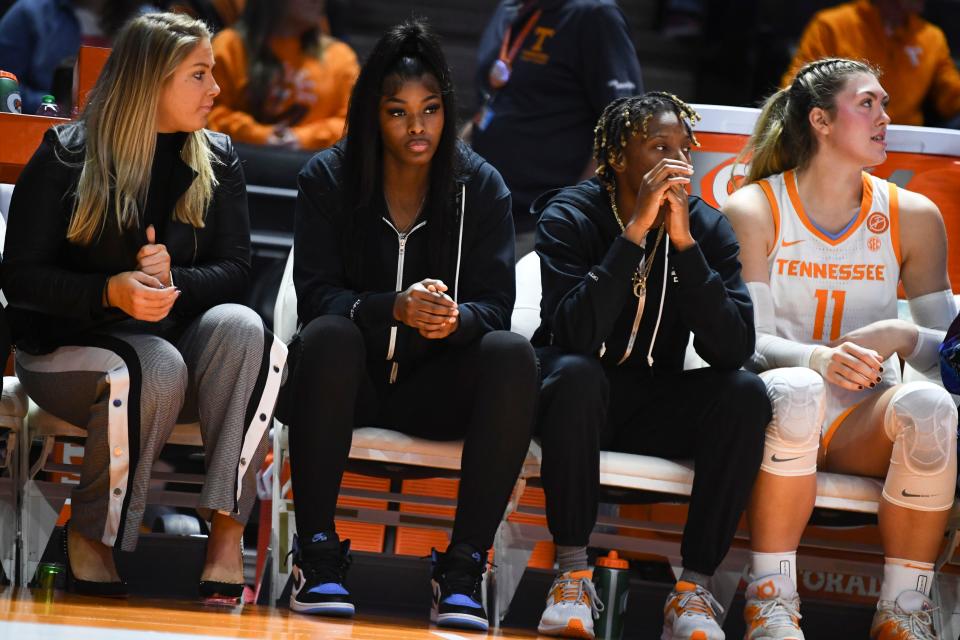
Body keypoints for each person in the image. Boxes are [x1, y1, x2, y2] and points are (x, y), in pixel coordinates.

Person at [1, 12, 286, 601]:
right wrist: (110, 290)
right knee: (150, 364)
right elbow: (19, 278)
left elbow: (237, 270)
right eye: (200, 74)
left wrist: (172, 278)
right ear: (151, 80)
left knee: (249, 330)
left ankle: (226, 534)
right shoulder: (67, 154)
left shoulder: (219, 157)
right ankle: (91, 538)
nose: (216, 89)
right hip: (66, 350)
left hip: (173, 349)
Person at [283, 19, 538, 632]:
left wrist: (454, 319)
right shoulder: (327, 178)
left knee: (510, 354)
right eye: (398, 113)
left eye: (429, 110)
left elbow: (496, 306)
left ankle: (462, 566)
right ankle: (315, 553)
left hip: (436, 388)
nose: (417, 127)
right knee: (327, 336)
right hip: (348, 383)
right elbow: (316, 296)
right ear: (374, 114)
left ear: (447, 112)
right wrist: (390, 306)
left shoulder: (482, 186)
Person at [724, 57, 958, 639]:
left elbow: (953, 354)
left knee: (932, 411)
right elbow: (744, 339)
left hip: (861, 418)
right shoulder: (754, 207)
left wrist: (904, 335)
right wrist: (816, 358)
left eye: (885, 104)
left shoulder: (913, 215)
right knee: (801, 390)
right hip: (774, 400)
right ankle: (771, 601)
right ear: (822, 121)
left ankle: (903, 613)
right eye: (868, 104)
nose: (885, 117)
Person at [533, 92, 770, 639]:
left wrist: (684, 246)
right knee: (577, 373)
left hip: (653, 399)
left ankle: (692, 592)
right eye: (658, 147)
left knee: (743, 393)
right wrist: (633, 233)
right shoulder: (570, 212)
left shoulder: (707, 229)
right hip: (572, 394)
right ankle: (570, 577)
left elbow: (733, 348)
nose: (677, 161)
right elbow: (572, 333)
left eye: (684, 149)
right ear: (617, 157)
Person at [469, 0, 643, 241]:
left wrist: (573, 212)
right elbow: (492, 102)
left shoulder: (595, 14)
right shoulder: (509, 8)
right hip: (483, 210)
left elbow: (623, 126)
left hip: (541, 223)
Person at [782, 0, 960, 128]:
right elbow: (796, 90)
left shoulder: (931, 37)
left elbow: (952, 99)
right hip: (843, 137)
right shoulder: (832, 26)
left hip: (907, 143)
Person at [208, 0, 358, 150]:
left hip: (312, 161)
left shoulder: (340, 57)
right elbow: (209, 112)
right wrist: (260, 135)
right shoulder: (228, 46)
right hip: (243, 158)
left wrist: (302, 138)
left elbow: (353, 122)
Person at [0, 0, 149, 113]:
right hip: (43, 132)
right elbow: (4, 84)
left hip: (121, 135)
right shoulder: (30, 12)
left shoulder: (148, 22)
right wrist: (53, 107)